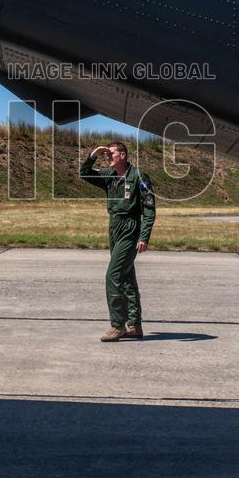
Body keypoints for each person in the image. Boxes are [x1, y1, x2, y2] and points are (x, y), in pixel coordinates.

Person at [79, 141, 156, 342]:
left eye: (111, 153)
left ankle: (117, 326)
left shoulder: (139, 176)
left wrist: (144, 236)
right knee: (127, 276)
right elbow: (84, 174)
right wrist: (93, 154)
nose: (108, 157)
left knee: (113, 275)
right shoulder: (108, 176)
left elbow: (149, 209)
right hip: (114, 227)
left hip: (130, 228)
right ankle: (134, 325)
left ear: (123, 155)